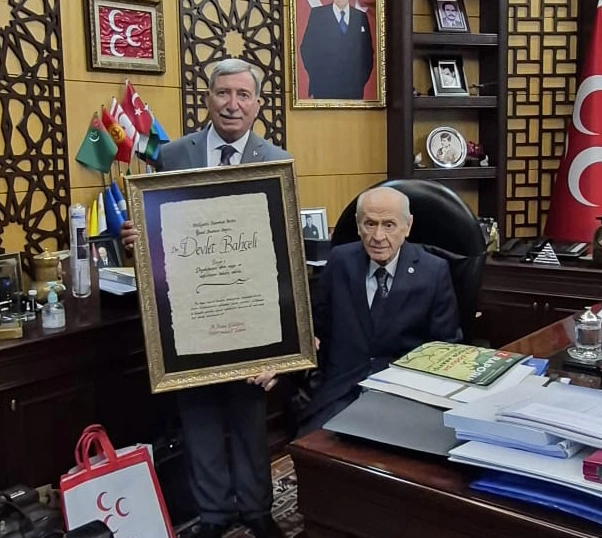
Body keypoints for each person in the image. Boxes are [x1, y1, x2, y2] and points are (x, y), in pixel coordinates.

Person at [120, 58, 289, 538]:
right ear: (208, 97)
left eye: (243, 95)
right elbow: (158, 232)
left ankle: (256, 510)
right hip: (191, 311)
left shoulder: (276, 159)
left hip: (250, 309)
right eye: (223, 93)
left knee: (249, 415)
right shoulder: (174, 154)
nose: (232, 104)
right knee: (198, 415)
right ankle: (213, 515)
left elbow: (281, 245)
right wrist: (136, 239)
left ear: (258, 104)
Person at [296, 187, 462, 436]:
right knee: (312, 448)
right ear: (358, 225)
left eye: (389, 225)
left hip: (403, 395)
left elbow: (446, 349)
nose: (378, 236)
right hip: (341, 390)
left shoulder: (433, 271)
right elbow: (317, 325)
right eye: (370, 224)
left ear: (407, 226)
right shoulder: (340, 260)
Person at [300, 0, 374, 99]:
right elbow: (307, 49)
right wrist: (317, 80)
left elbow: (367, 53)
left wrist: (359, 81)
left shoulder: (360, 16)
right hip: (323, 89)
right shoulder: (318, 14)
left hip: (353, 90)